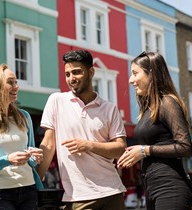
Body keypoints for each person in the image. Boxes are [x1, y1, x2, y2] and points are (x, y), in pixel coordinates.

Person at [37, 49, 127, 210]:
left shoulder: (109, 109)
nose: (71, 78)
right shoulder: (56, 101)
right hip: (78, 197)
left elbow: (120, 149)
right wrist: (36, 180)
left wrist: (88, 145)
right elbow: (49, 144)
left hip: (112, 192)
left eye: (77, 72)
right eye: (67, 74)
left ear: (91, 72)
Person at [117, 51, 192, 209]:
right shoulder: (147, 108)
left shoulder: (167, 102)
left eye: (135, 73)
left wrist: (144, 151)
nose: (131, 80)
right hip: (152, 188)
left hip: (171, 188)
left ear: (151, 74)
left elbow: (185, 147)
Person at [0, 64, 44, 210]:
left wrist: (34, 157)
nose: (16, 86)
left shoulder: (24, 117)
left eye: (16, 82)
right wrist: (7, 160)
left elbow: (30, 160)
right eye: (10, 82)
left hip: (28, 188)